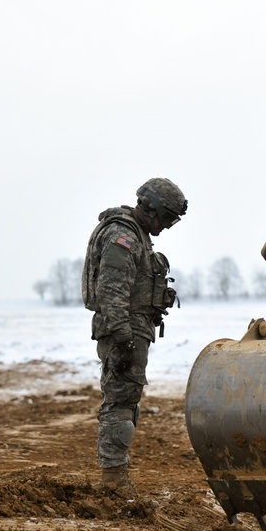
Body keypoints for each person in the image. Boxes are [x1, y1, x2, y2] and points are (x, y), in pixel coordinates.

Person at [81, 177, 187, 490]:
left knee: (127, 400)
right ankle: (114, 482)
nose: (166, 226)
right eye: (166, 218)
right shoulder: (123, 235)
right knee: (119, 403)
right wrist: (123, 338)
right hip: (122, 331)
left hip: (131, 330)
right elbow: (111, 290)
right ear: (151, 209)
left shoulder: (136, 235)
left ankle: (116, 477)